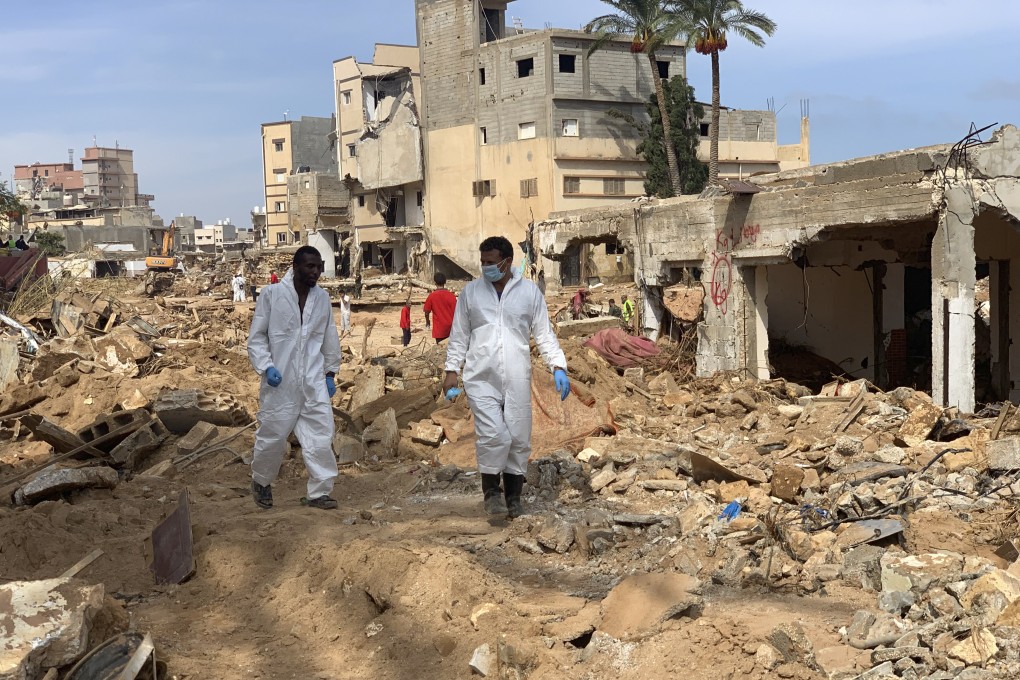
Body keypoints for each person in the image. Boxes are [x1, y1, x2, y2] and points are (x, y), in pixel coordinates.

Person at [443, 236, 569, 519]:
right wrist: (452, 370)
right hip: (480, 376)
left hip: (516, 376)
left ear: (507, 261)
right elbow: (460, 334)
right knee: (493, 435)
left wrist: (558, 366)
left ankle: (514, 498)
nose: (485, 267)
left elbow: (544, 333)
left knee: (518, 437)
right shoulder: (471, 293)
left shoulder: (528, 293)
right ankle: (491, 494)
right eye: (482, 262)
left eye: (490, 262)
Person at [247, 246, 341, 510]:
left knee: (321, 435)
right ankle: (262, 481)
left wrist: (330, 372)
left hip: (312, 380)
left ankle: (319, 493)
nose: (316, 272)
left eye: (319, 267)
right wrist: (266, 367)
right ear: (296, 266)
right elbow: (257, 338)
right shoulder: (272, 295)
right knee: (272, 436)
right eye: (310, 267)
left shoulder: (321, 298)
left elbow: (329, 336)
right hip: (280, 383)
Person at [423, 272, 457, 344]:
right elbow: (457, 312)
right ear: (445, 282)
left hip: (439, 330)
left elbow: (426, 312)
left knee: (440, 350)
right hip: (451, 329)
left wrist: (427, 322)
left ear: (435, 282)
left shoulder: (432, 296)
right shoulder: (452, 296)